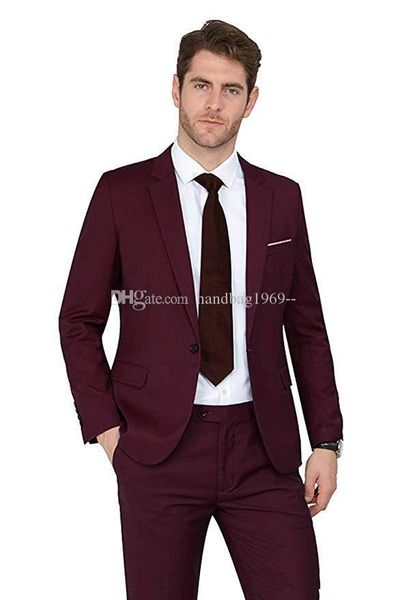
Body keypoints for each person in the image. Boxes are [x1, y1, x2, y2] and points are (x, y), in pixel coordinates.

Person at [59, 19, 344, 600]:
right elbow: (78, 321)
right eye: (201, 85)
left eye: (231, 89)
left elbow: (306, 327)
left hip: (263, 447)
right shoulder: (120, 193)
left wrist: (326, 440)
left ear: (251, 101)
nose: (214, 104)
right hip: (156, 448)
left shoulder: (281, 197)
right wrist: (109, 433)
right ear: (176, 89)